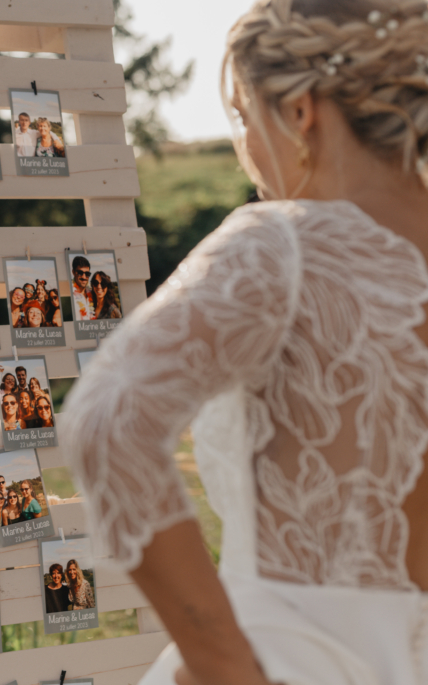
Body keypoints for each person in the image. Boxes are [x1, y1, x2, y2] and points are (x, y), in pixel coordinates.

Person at [65, 3, 428, 683]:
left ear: (300, 112)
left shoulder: (284, 244)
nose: (243, 143)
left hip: (289, 656)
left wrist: (225, 664)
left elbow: (109, 419)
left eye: (242, 113)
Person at [70, 255, 95, 321]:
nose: (84, 277)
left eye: (87, 274)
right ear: (73, 272)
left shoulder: (92, 293)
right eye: (80, 273)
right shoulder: (69, 294)